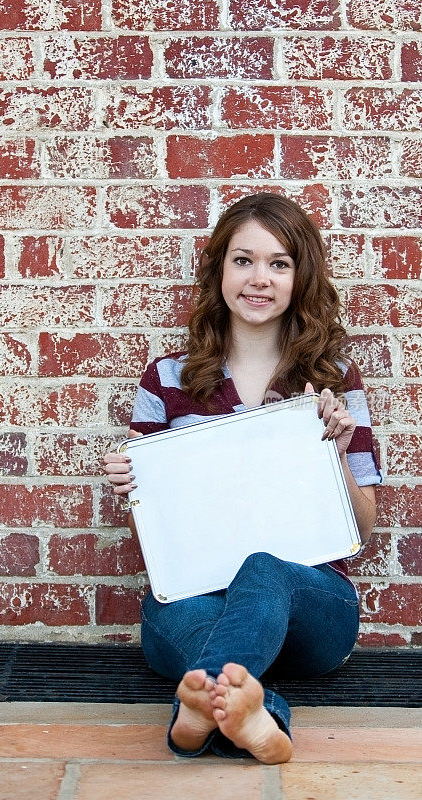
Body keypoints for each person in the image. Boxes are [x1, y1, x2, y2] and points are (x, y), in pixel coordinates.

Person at [103, 192, 381, 763]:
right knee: (186, 611)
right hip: (197, 597)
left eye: (279, 263)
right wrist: (136, 489)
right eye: (243, 260)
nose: (260, 278)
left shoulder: (333, 380)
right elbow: (158, 541)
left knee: (263, 568)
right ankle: (252, 714)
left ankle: (195, 716)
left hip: (311, 605)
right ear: (219, 270)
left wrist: (338, 451)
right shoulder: (167, 378)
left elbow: (363, 529)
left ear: (300, 277)